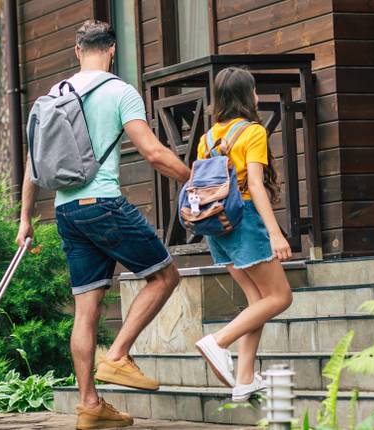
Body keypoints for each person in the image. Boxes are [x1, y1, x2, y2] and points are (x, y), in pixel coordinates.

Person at [16, 20, 191, 430]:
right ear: (112, 51)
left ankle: (89, 405)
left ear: (77, 51)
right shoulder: (119, 91)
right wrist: (192, 176)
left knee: (86, 310)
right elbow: (152, 152)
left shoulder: (54, 95)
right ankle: (117, 356)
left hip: (66, 212)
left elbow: (33, 165)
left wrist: (25, 218)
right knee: (165, 275)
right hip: (103, 204)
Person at [191, 67, 294, 402]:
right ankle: (218, 341)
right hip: (245, 221)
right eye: (254, 89)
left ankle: (245, 379)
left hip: (216, 226)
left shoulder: (207, 139)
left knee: (257, 301)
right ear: (248, 95)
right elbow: (254, 185)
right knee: (280, 298)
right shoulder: (252, 132)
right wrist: (276, 233)